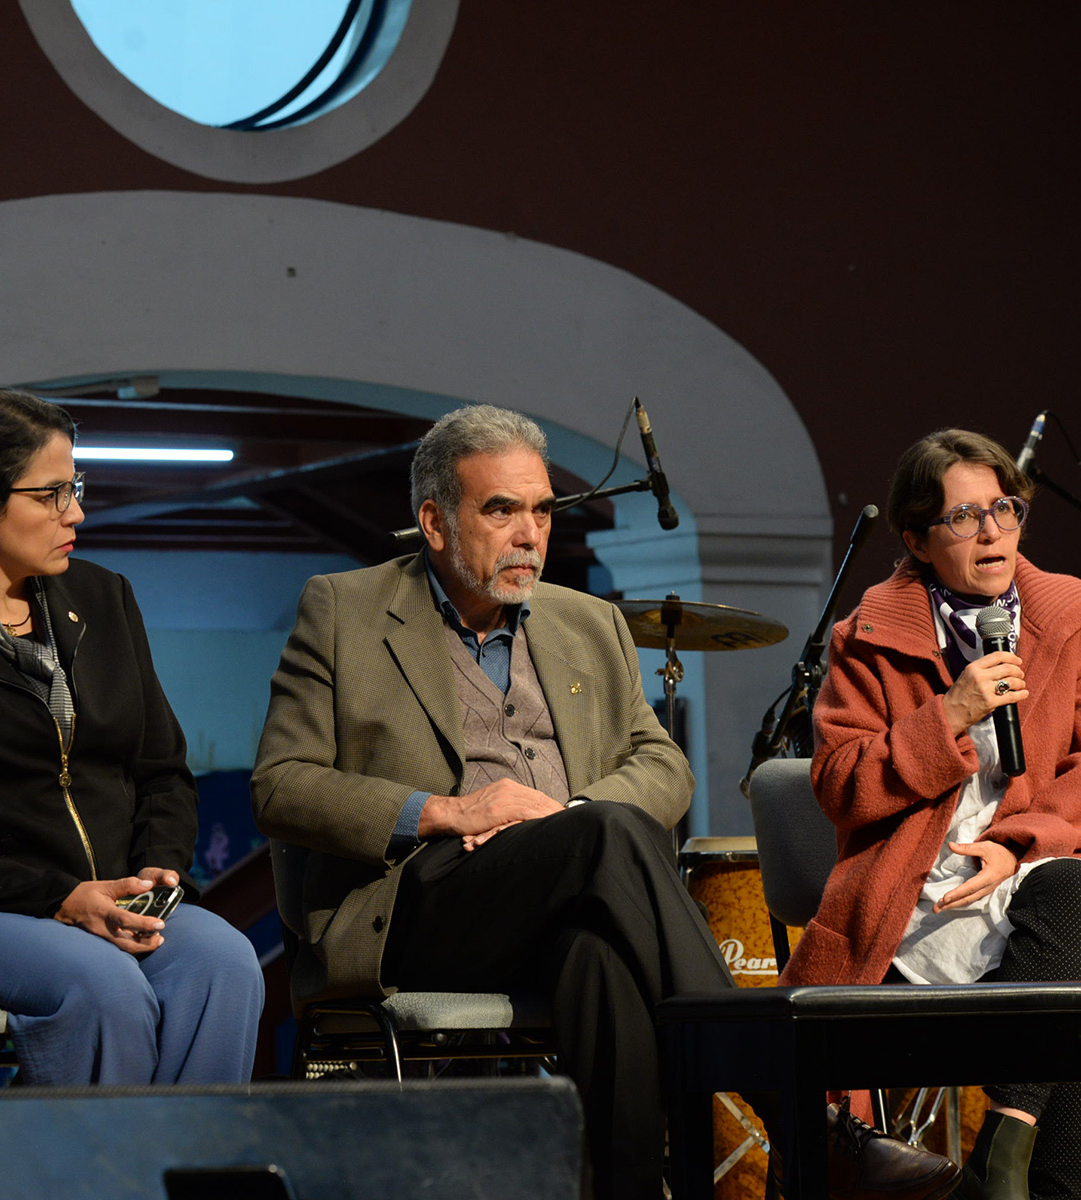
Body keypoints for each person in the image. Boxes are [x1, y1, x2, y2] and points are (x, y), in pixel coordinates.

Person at [252, 402, 959, 1200]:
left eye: (543, 510)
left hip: (570, 887)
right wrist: (449, 812)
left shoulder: (586, 621)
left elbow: (660, 763)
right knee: (609, 839)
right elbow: (281, 786)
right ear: (436, 521)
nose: (530, 534)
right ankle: (800, 1118)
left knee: (602, 958)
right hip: (421, 905)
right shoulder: (343, 610)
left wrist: (573, 821)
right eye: (502, 510)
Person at [0, 386, 264, 1086]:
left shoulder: (104, 597)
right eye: (51, 494)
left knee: (225, 963)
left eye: (75, 487)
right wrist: (59, 895)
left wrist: (157, 875)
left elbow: (162, 770)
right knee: (103, 985)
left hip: (111, 899)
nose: (77, 513)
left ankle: (186, 1173)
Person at [781, 428, 1081, 1199]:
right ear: (916, 539)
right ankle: (1011, 1174)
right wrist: (948, 712)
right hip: (913, 904)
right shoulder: (870, 637)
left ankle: (1004, 1149)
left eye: (1004, 509)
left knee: (1075, 899)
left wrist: (1017, 844)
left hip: (1032, 884)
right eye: (963, 517)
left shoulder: (1068, 614)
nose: (992, 532)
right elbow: (841, 785)